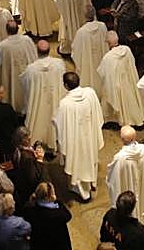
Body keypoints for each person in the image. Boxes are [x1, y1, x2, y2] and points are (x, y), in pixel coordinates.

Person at [53, 71, 104, 201]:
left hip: (76, 140)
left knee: (78, 162)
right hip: (90, 135)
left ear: (65, 85)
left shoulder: (65, 103)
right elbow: (98, 115)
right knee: (90, 158)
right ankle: (92, 183)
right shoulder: (90, 93)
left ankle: (83, 193)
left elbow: (60, 124)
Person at [19, 40, 66, 146]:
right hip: (54, 99)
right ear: (49, 51)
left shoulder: (31, 69)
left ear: (37, 51)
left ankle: (38, 142)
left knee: (38, 121)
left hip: (37, 102)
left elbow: (24, 83)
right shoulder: (59, 64)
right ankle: (54, 141)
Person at [106, 125, 144, 216]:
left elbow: (113, 179)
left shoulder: (120, 158)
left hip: (128, 186)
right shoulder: (143, 150)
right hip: (142, 186)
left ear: (122, 139)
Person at [98, 31, 144, 127]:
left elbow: (102, 74)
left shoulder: (108, 57)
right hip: (127, 81)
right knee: (130, 102)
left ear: (109, 43)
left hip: (116, 85)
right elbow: (131, 65)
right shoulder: (127, 50)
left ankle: (115, 120)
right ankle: (134, 120)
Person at [0, 21, 39, 113]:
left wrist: (0, 78)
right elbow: (34, 55)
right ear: (18, 29)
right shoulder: (27, 40)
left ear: (6, 30)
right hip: (27, 75)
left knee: (13, 93)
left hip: (11, 78)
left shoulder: (2, 46)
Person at [21, 182, 72, 250]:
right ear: (49, 196)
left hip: (39, 242)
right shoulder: (56, 214)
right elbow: (68, 216)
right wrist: (58, 202)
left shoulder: (29, 207)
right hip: (56, 243)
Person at [71, 11, 109, 93]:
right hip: (100, 58)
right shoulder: (102, 26)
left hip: (87, 63)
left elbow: (75, 50)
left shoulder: (81, 32)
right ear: (94, 15)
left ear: (84, 17)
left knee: (88, 76)